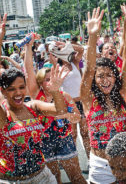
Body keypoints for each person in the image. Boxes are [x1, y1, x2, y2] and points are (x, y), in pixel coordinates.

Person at [0, 10, 68, 183]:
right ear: (4, 91)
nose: (19, 93)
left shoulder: (33, 107)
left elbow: (60, 109)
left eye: (22, 87)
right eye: (12, 89)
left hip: (42, 176)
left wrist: (56, 90)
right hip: (11, 180)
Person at [80, 6, 126, 183]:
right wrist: (93, 35)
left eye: (109, 75)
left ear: (115, 77)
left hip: (125, 162)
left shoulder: (121, 94)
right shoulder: (89, 100)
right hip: (100, 166)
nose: (105, 80)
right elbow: (88, 70)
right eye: (100, 76)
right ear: (94, 80)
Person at [24, 37, 86, 183]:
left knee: (76, 177)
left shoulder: (65, 96)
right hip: (44, 142)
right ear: (40, 83)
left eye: (52, 77)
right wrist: (28, 48)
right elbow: (28, 71)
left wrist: (65, 115)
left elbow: (77, 117)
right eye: (46, 80)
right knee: (54, 177)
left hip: (64, 140)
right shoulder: (36, 94)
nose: (51, 81)